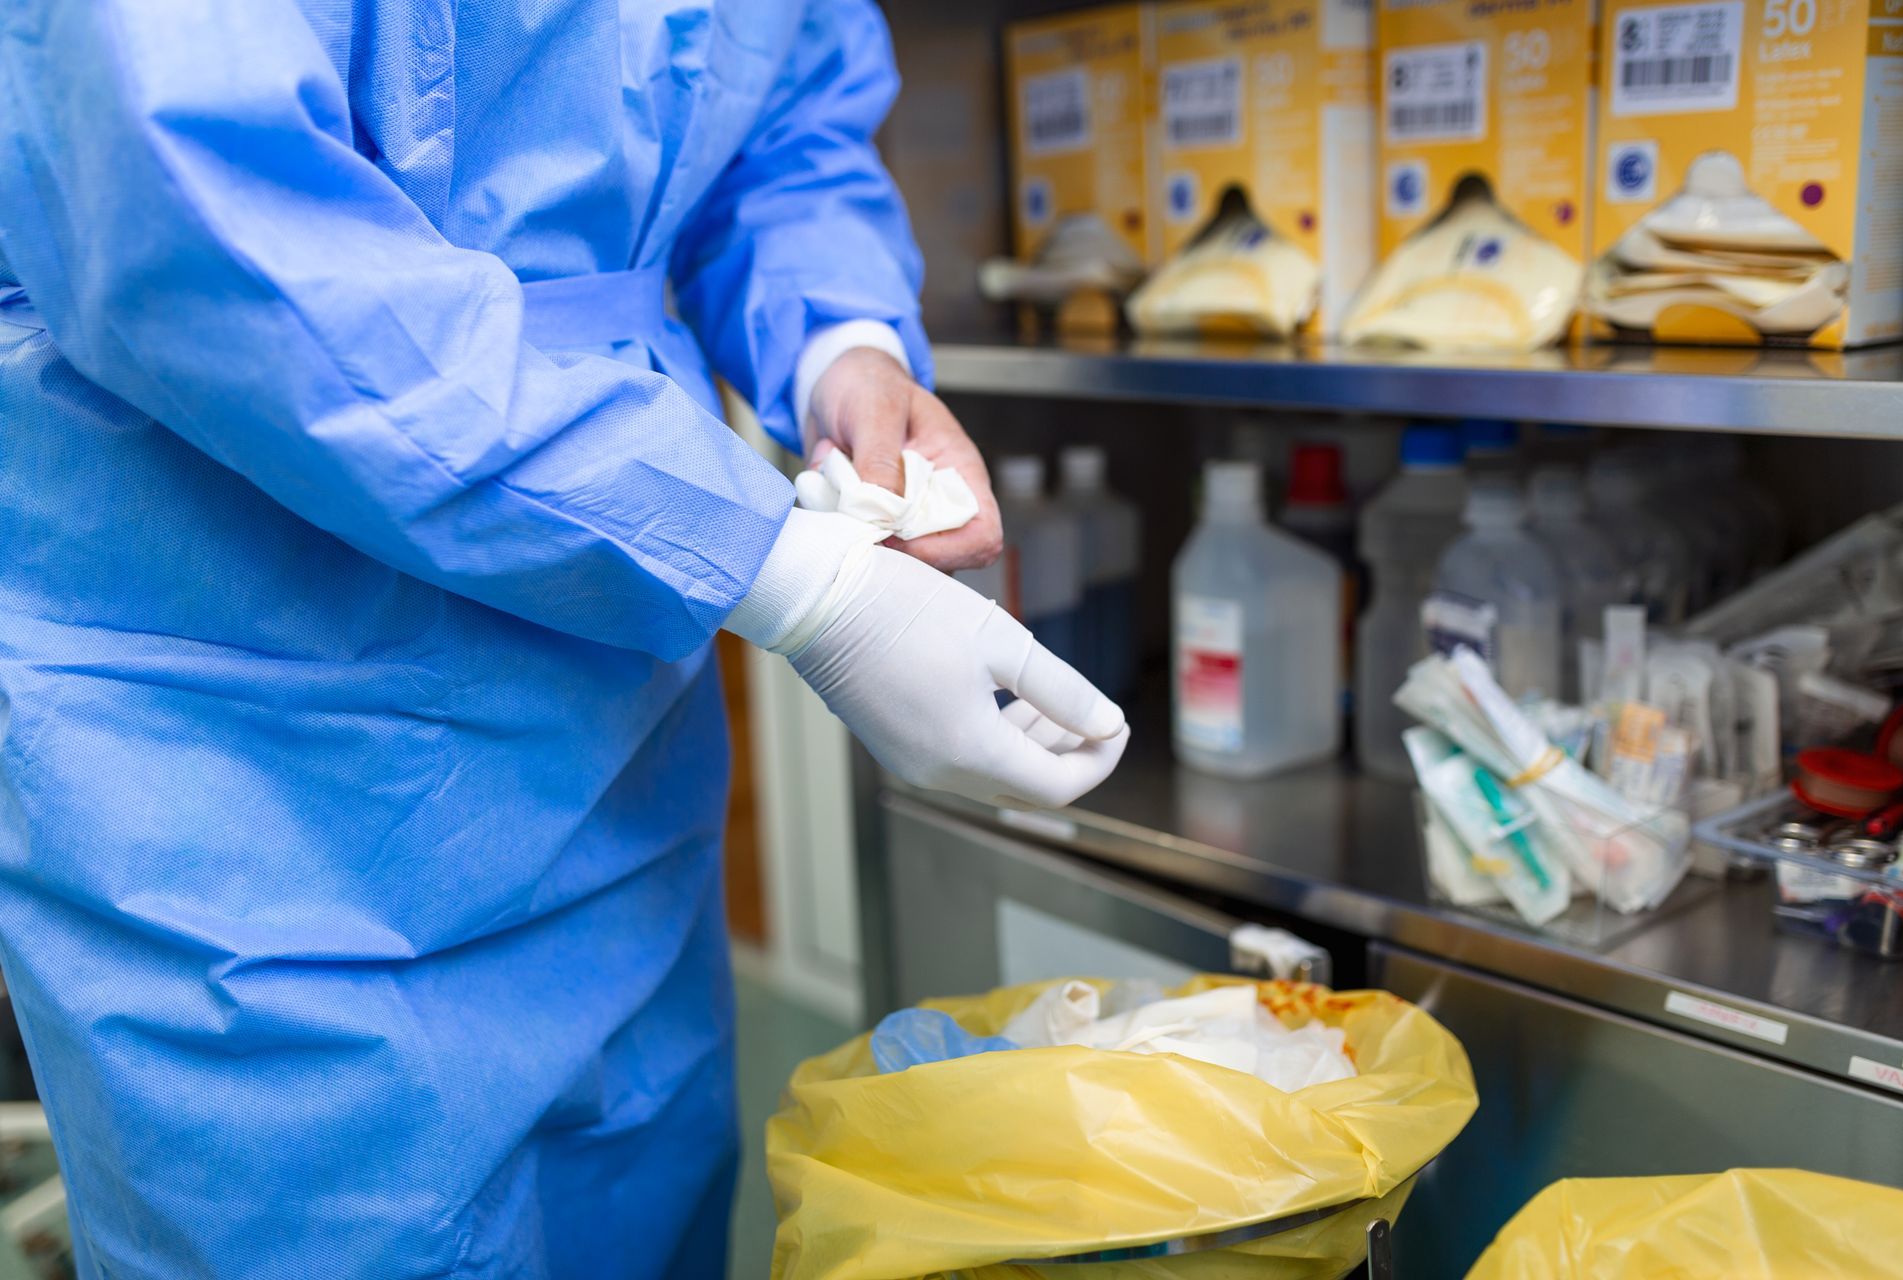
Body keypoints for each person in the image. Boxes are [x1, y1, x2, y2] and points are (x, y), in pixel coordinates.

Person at [0, 2, 1128, 1276]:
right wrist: (803, 581)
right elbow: (209, 225)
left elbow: (776, 120)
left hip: (609, 735)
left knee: (639, 1200)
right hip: (242, 753)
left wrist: (842, 346)